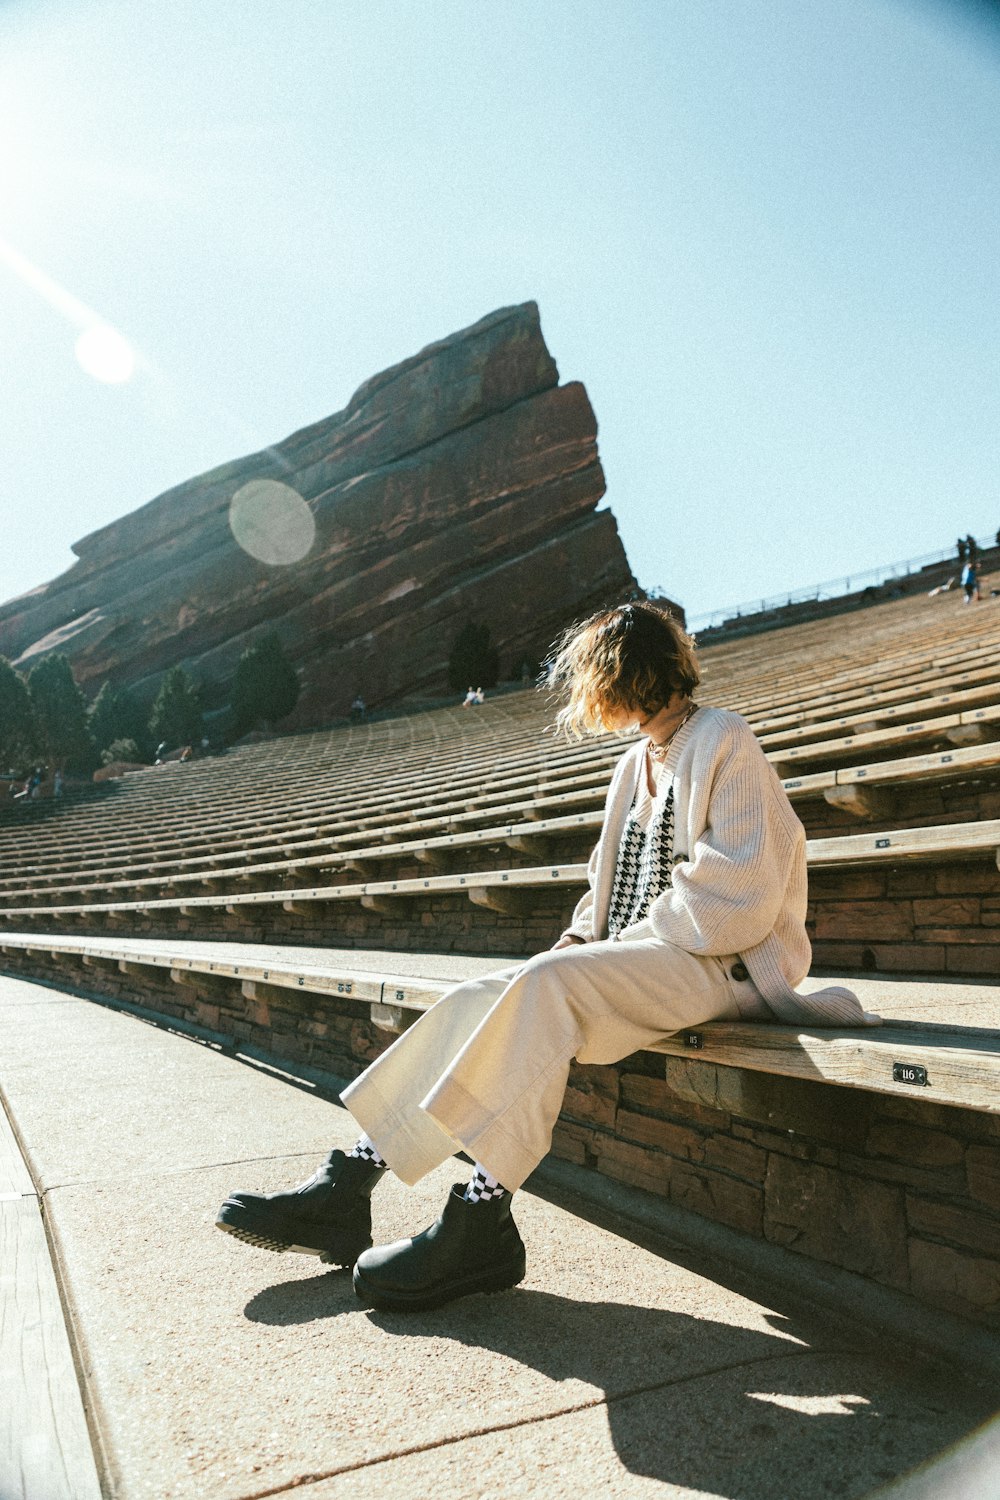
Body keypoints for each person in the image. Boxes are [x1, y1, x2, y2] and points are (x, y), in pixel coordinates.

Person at [216, 602, 880, 1312]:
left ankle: (481, 1216)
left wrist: (611, 945)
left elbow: (740, 888)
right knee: (480, 998)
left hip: (723, 966)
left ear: (625, 675)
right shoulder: (635, 762)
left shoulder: (723, 738)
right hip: (647, 963)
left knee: (548, 987)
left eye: (593, 678)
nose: (586, 696)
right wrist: (578, 940)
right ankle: (348, 1185)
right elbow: (605, 881)